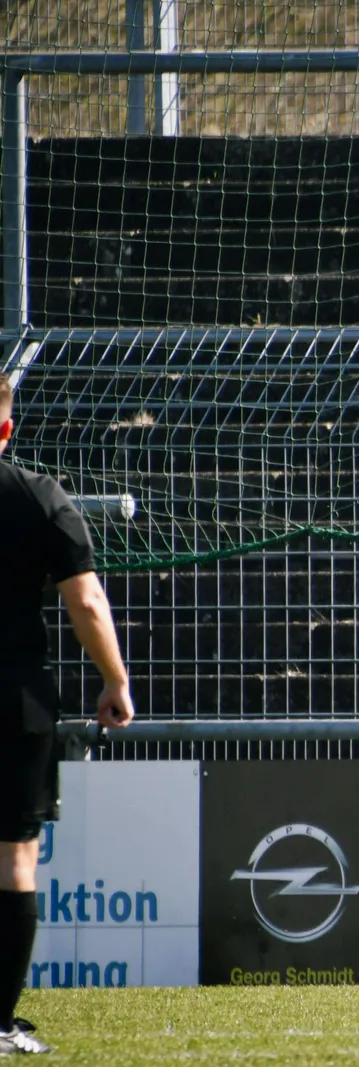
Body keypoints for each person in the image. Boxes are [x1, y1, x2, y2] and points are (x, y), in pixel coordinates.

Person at [0, 376, 136, 1056]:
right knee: (13, 857)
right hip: (12, 701)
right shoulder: (38, 496)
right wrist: (116, 681)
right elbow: (85, 601)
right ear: (7, 427)